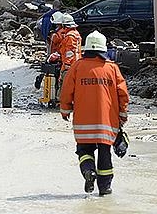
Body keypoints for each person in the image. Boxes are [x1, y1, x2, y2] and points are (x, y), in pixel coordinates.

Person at [59, 31, 129, 195]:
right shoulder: (112, 68)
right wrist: (123, 114)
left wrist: (65, 109)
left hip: (83, 122)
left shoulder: (77, 66)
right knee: (105, 154)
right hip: (107, 122)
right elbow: (122, 93)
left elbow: (66, 90)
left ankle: (88, 171)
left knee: (84, 151)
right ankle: (105, 188)